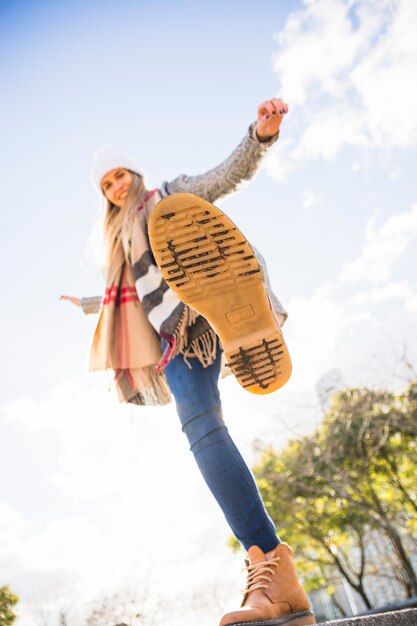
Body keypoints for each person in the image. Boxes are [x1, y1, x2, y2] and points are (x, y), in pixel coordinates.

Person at [61, 99, 316, 626]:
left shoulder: (169, 198)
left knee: (202, 426)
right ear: (104, 195)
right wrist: (84, 304)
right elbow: (121, 299)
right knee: (199, 430)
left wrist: (259, 137)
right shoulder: (120, 247)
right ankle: (273, 576)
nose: (116, 187)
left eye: (120, 175)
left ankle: (268, 560)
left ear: (135, 172)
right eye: (106, 184)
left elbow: (223, 178)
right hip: (169, 345)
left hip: (201, 320)